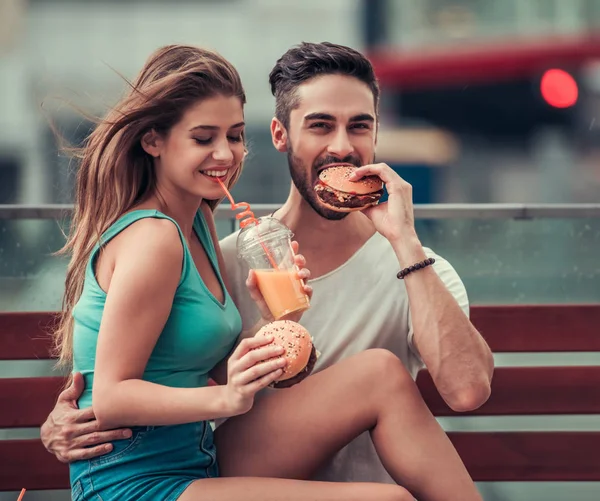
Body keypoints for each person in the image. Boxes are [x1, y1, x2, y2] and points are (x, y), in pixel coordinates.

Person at [42, 43, 489, 500]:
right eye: (203, 138)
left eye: (234, 136)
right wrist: (226, 398)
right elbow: (115, 394)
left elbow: (204, 365)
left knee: (380, 371)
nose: (225, 154)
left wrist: (278, 323)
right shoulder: (167, 240)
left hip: (198, 459)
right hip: (145, 477)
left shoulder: (201, 227)